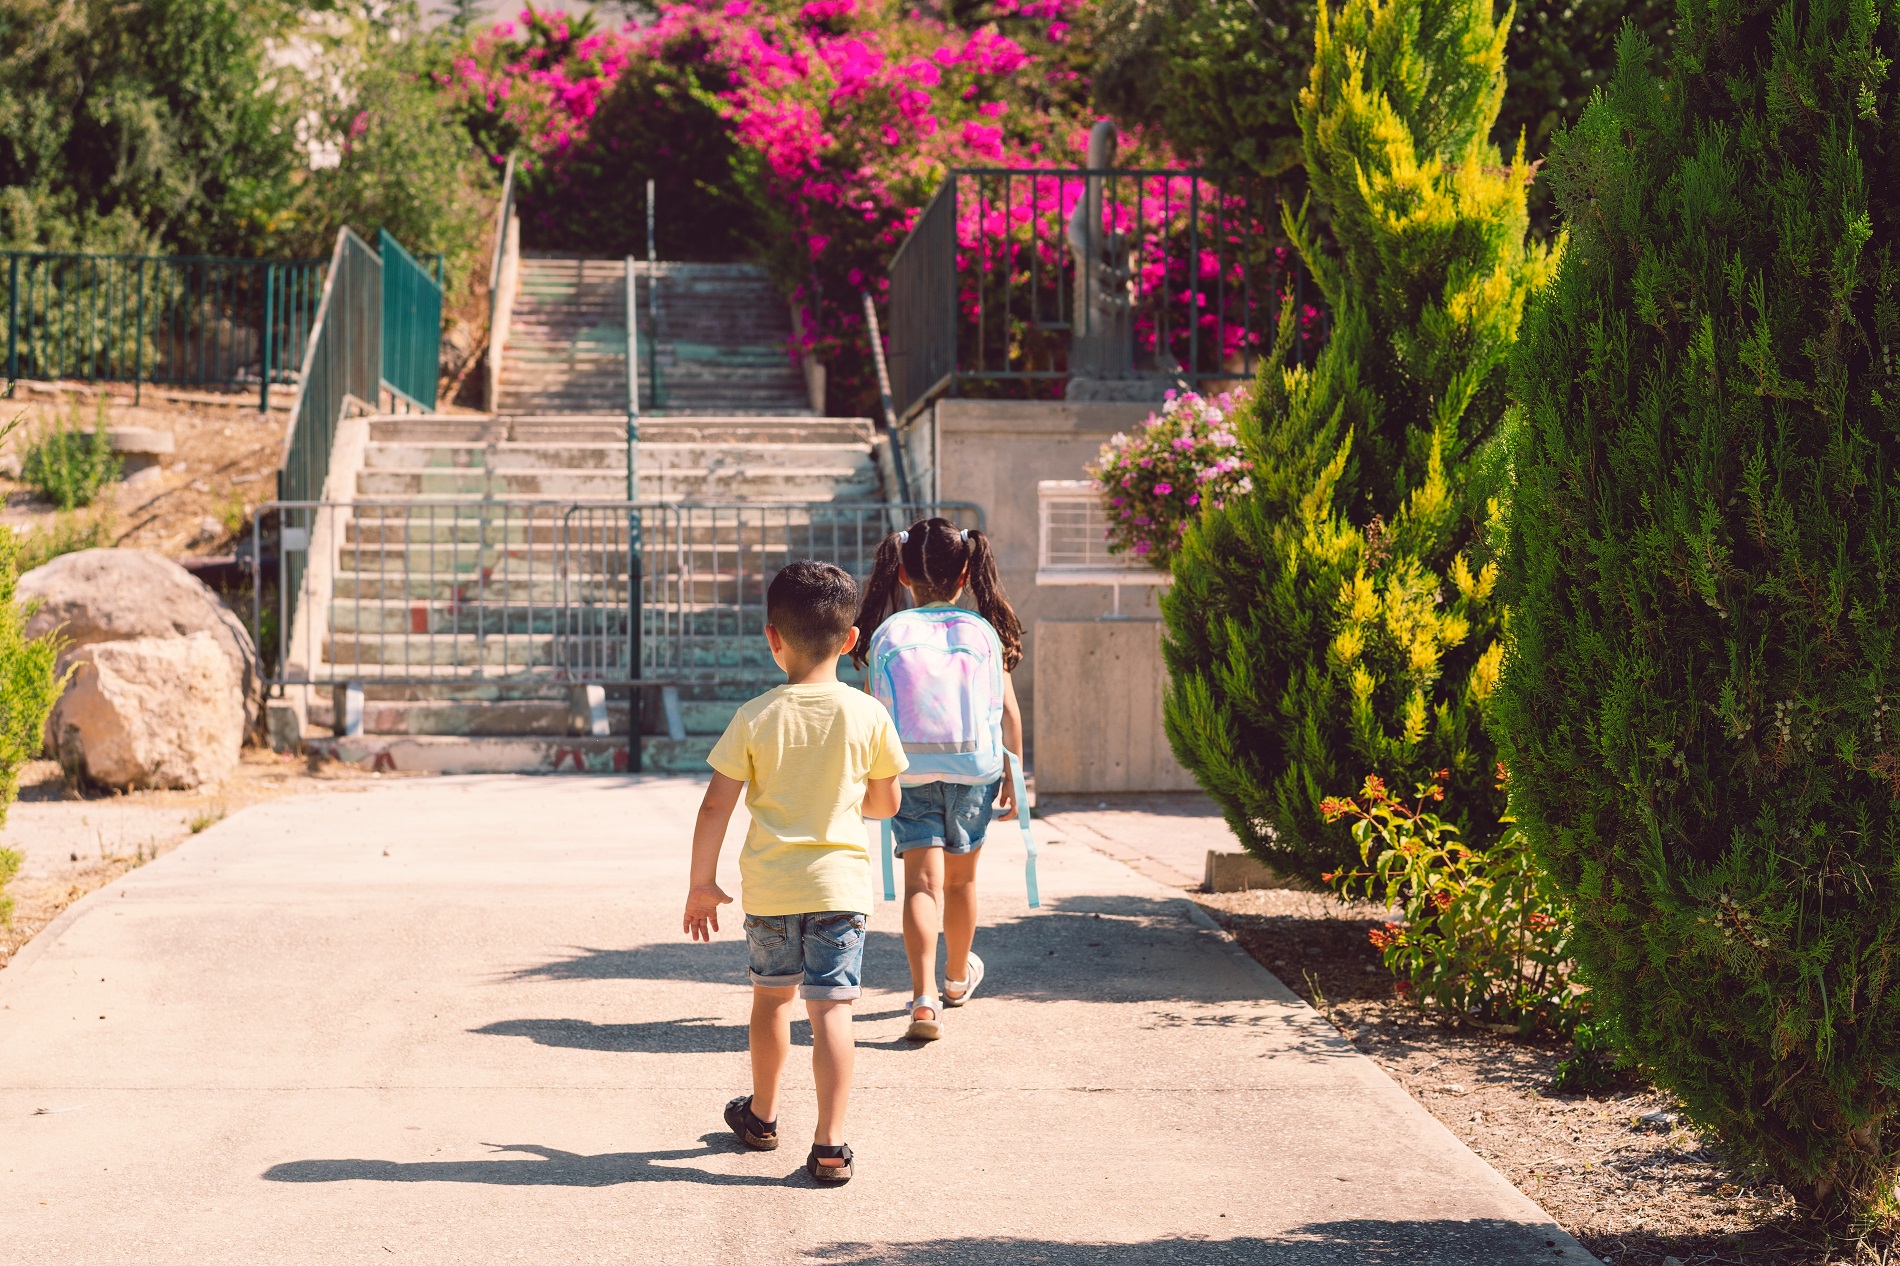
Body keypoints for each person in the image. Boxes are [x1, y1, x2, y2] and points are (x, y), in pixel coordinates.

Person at [683, 560, 907, 1185]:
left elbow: (714, 806)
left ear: (772, 637)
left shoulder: (756, 716)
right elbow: (887, 804)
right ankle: (831, 1147)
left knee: (772, 1002)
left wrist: (703, 885)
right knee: (833, 1010)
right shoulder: (868, 715)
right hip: (840, 888)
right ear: (851, 639)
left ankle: (761, 1118)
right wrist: (841, 798)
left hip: (773, 889)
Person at [851, 518, 1024, 1042]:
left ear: (901, 573)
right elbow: (1008, 714)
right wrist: (1014, 773)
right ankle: (955, 979)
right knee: (961, 880)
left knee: (921, 885)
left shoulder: (887, 635)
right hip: (973, 769)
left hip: (908, 771)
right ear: (968, 571)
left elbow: (872, 715)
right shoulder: (983, 633)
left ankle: (924, 997)